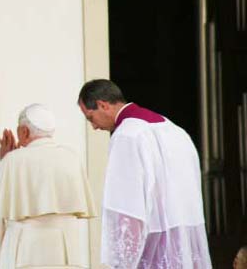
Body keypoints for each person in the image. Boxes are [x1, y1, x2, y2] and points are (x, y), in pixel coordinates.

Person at [77, 79, 212, 268]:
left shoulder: (127, 135)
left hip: (152, 248)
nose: (94, 126)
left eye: (91, 117)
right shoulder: (175, 130)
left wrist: (123, 262)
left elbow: (128, 207)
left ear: (102, 105)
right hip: (182, 242)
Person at [0, 103, 96, 269]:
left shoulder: (14, 159)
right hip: (66, 247)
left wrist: (5, 160)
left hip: (26, 249)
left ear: (24, 131)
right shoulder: (72, 157)